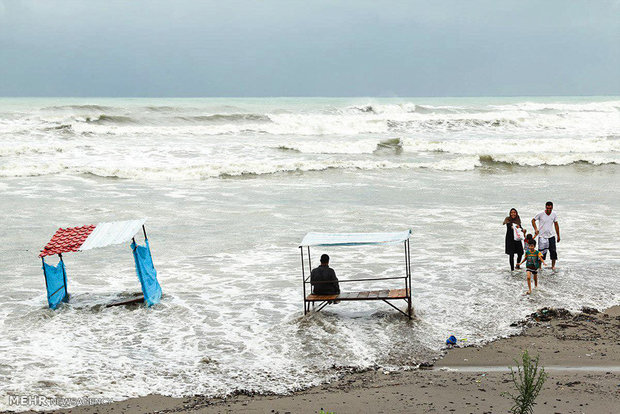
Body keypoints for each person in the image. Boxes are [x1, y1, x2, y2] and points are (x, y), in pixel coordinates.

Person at [531, 201, 560, 270]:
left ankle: (553, 266)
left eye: (550, 208)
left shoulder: (554, 214)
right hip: (542, 236)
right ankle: (540, 267)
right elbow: (533, 220)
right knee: (541, 252)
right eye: (547, 208)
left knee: (553, 251)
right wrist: (535, 229)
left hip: (551, 236)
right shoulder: (541, 214)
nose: (549, 210)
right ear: (545, 207)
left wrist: (558, 235)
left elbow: (556, 224)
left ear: (552, 208)